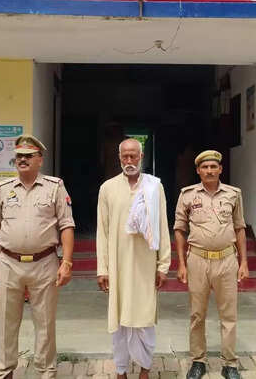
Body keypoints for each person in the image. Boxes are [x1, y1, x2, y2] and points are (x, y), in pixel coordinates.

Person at [0, 134, 75, 379]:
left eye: (28, 156)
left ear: (40, 159)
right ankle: (5, 370)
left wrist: (66, 262)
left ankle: (46, 371)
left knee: (45, 322)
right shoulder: (3, 189)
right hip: (8, 263)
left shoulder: (54, 187)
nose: (22, 160)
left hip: (45, 263)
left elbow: (66, 225)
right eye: (19, 156)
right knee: (6, 322)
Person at [96, 138, 171, 379]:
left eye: (133, 156)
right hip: (117, 266)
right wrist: (102, 268)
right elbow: (102, 231)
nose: (129, 160)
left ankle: (144, 368)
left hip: (145, 265)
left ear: (141, 157)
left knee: (144, 318)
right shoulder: (107, 188)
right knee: (119, 321)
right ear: (119, 158)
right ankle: (121, 370)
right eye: (125, 156)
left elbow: (162, 227)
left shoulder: (154, 187)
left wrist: (163, 265)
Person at [173, 150, 249, 379]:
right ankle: (198, 361)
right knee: (197, 314)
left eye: (213, 167)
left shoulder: (233, 194)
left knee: (229, 315)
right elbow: (179, 229)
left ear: (220, 169)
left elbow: (240, 228)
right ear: (198, 170)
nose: (209, 171)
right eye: (205, 167)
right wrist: (181, 264)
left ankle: (230, 364)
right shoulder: (187, 195)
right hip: (197, 260)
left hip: (226, 260)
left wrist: (244, 262)